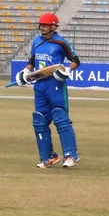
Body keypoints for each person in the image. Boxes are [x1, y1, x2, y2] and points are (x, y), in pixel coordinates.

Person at [14, 12, 81, 169]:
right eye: (41, 25)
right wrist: (25, 71)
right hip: (40, 85)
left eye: (45, 25)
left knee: (60, 118)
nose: (42, 27)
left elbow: (75, 60)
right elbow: (32, 60)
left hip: (56, 83)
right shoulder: (36, 41)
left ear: (53, 26)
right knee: (40, 120)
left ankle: (70, 155)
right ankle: (49, 157)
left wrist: (67, 70)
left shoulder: (61, 43)